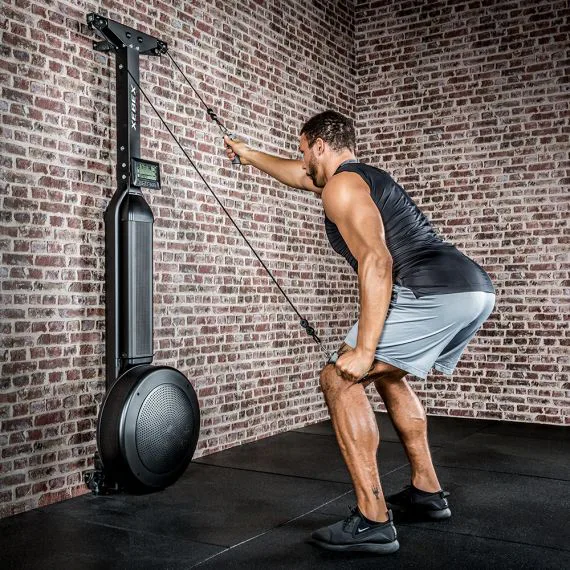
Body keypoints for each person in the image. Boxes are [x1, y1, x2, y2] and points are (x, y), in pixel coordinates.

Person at [223, 110, 495, 554]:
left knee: (340, 378)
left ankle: (373, 519)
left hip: (433, 289)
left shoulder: (342, 187)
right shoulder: (357, 178)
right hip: (471, 288)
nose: (302, 160)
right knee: (389, 376)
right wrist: (248, 154)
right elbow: (299, 176)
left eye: (303, 150)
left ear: (319, 146)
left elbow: (376, 260)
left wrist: (365, 349)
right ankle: (427, 491)